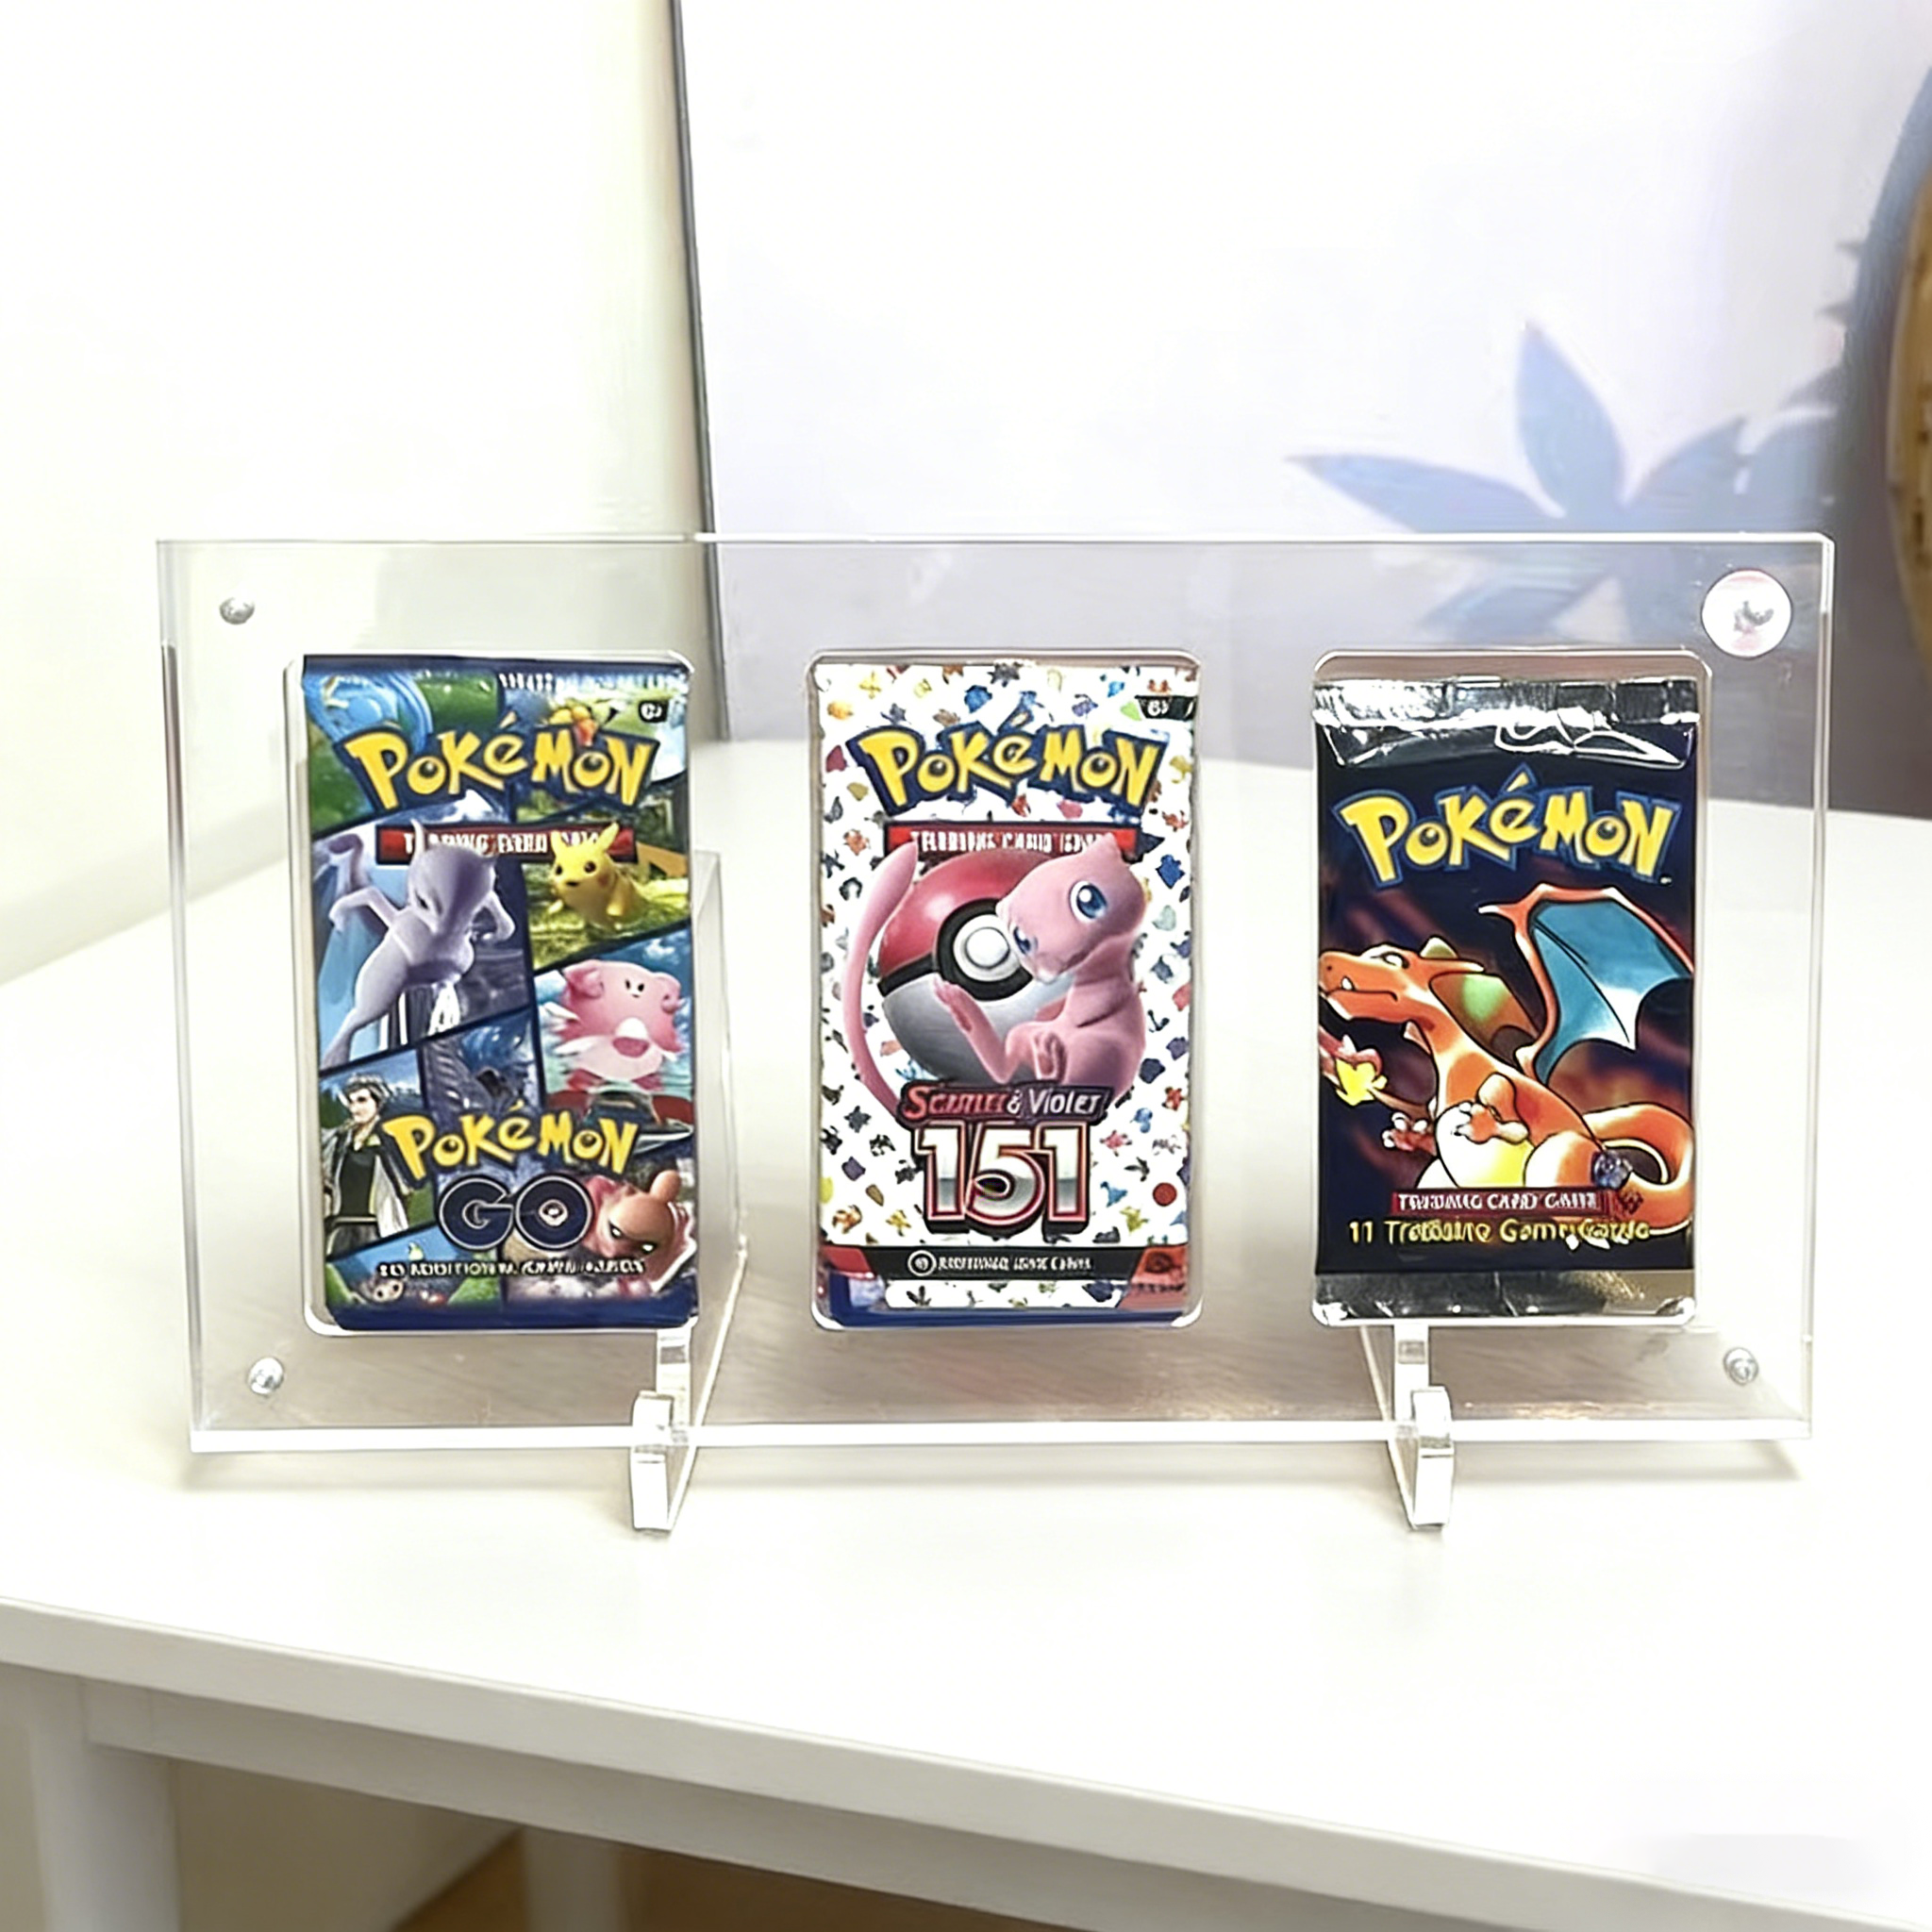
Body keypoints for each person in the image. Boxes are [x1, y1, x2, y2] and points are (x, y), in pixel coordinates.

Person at [321, 1074, 410, 1255]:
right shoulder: (339, 1140)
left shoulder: (390, 1141)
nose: (355, 1108)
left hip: (377, 1230)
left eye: (362, 1100)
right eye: (351, 1102)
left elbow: (406, 1185)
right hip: (340, 1232)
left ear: (378, 1102)